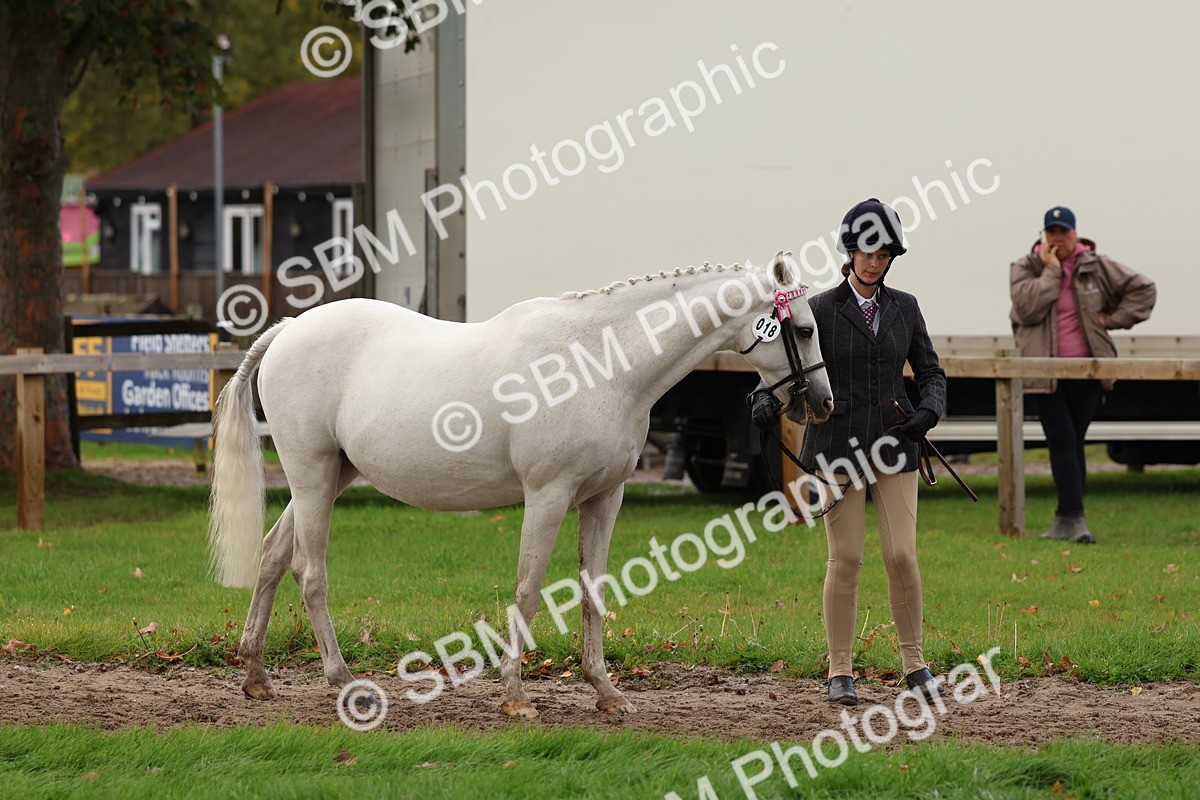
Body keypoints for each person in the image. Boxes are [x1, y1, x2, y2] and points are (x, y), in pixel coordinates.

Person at [749, 198, 947, 706]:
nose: (873, 260)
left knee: (902, 555)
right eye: (865, 250)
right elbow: (787, 365)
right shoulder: (818, 309)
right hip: (838, 447)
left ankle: (915, 664)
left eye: (883, 253)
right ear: (850, 251)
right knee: (847, 558)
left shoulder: (906, 307)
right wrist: (764, 397)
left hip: (897, 445)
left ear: (891, 258)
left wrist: (928, 411)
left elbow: (930, 372)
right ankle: (840, 671)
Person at [1009, 206, 1156, 544]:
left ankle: (1068, 517)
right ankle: (1074, 518)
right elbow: (1026, 307)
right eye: (1052, 232)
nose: (1058, 238)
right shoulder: (1025, 267)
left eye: (1064, 232)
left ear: (1075, 233)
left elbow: (1144, 289)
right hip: (1042, 371)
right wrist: (1052, 272)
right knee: (1061, 440)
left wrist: (1111, 319)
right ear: (1043, 235)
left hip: (1087, 370)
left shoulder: (1096, 266)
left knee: (1072, 442)